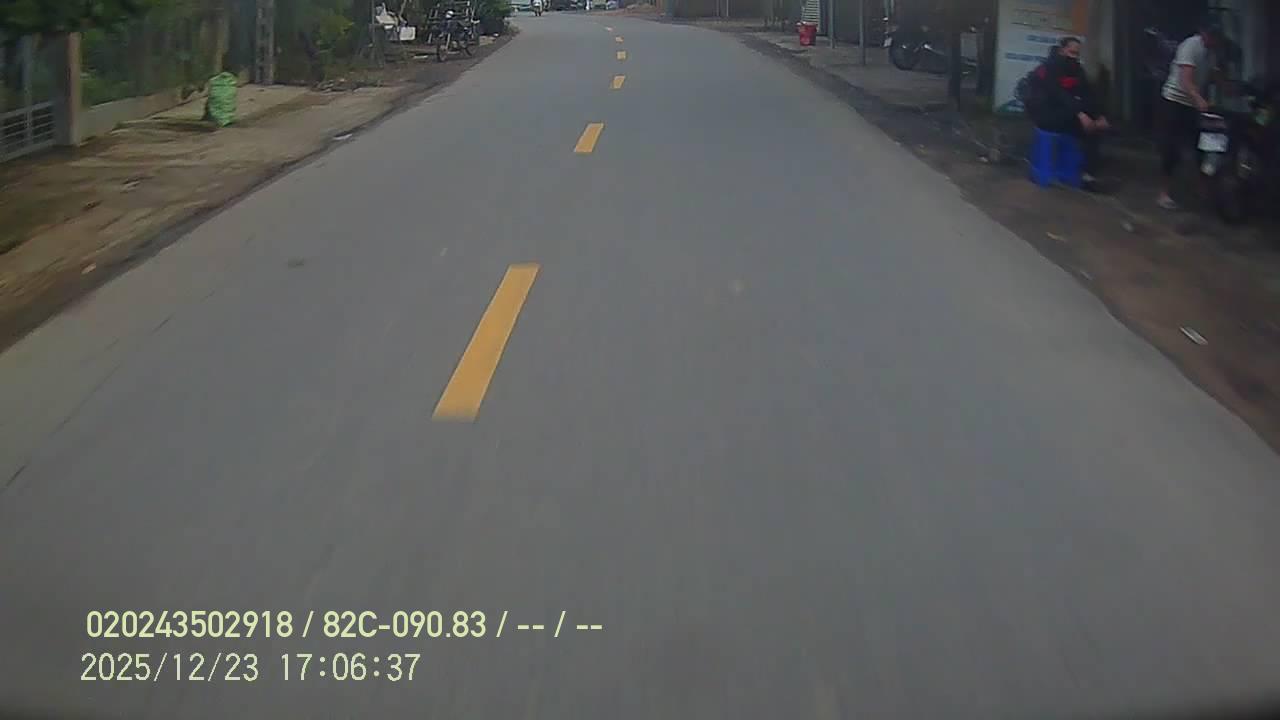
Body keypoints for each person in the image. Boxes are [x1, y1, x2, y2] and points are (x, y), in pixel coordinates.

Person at [1025, 37, 1109, 191]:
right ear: (1062, 50)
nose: (1074, 57)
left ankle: (1087, 174)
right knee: (1082, 122)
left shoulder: (1077, 69)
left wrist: (1099, 115)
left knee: (1094, 129)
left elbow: (1088, 93)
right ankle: (1078, 173)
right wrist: (1080, 114)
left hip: (1065, 112)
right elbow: (1058, 94)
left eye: (1077, 54)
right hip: (1045, 113)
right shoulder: (1048, 68)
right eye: (1072, 52)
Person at [1156, 20, 1224, 210]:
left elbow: (1216, 76)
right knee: (1171, 148)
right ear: (1204, 34)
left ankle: (1202, 188)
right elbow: (1185, 79)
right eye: (1211, 36)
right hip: (1174, 101)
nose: (1213, 40)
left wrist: (1230, 90)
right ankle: (1163, 193)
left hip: (1192, 105)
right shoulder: (1191, 46)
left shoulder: (1212, 53)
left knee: (1201, 145)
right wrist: (1199, 99)